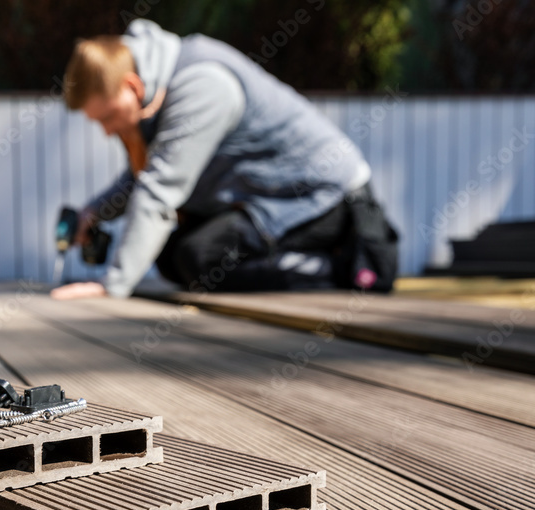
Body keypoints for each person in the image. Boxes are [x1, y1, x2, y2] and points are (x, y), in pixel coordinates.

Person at [50, 19, 399, 301]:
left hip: (320, 196)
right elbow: (143, 179)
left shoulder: (202, 85)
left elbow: (160, 189)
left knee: (199, 258)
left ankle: (345, 267)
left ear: (133, 87)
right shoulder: (158, 89)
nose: (108, 132)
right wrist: (92, 213)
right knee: (171, 257)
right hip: (264, 198)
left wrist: (112, 287)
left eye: (107, 117)